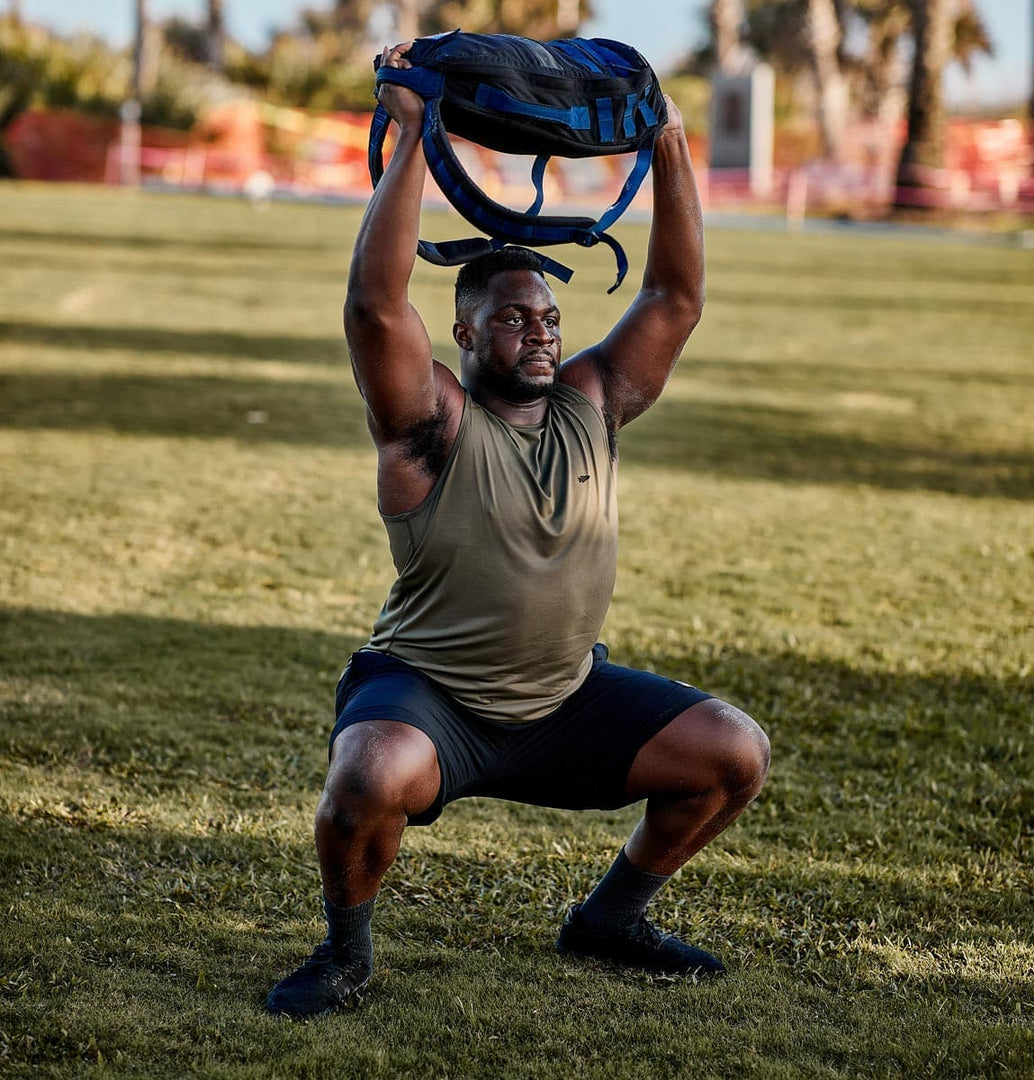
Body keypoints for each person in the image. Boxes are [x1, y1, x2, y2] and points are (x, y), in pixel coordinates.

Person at [266, 40, 770, 1020]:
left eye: (546, 316)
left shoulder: (594, 400)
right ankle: (345, 953)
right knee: (367, 776)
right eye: (510, 319)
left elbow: (675, 300)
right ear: (464, 335)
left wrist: (666, 140)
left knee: (732, 753)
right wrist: (413, 130)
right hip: (432, 701)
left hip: (565, 701)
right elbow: (375, 305)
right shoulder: (431, 425)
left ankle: (611, 920)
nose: (537, 331)